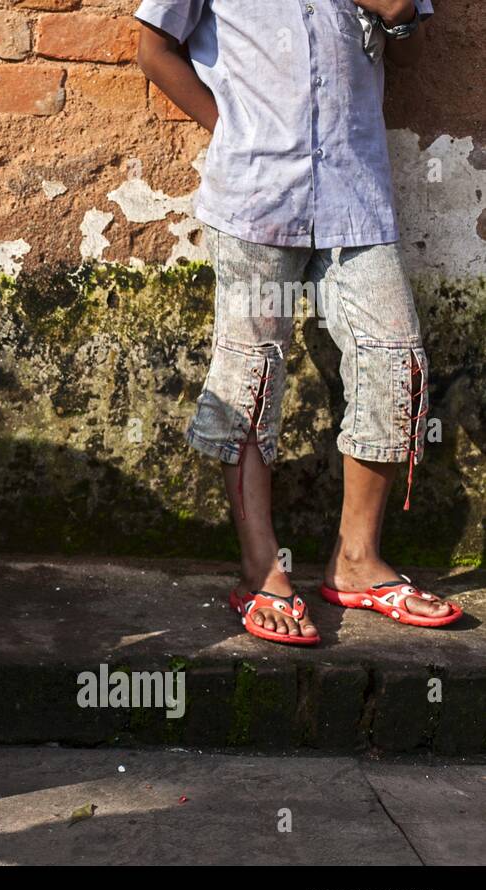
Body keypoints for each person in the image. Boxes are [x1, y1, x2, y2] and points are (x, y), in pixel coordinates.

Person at [135, 0, 461, 644]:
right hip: (257, 195)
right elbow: (154, 48)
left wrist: (396, 16)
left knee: (395, 361)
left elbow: (411, 50)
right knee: (251, 376)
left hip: (355, 196)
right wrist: (230, 131)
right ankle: (261, 571)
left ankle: (357, 563)